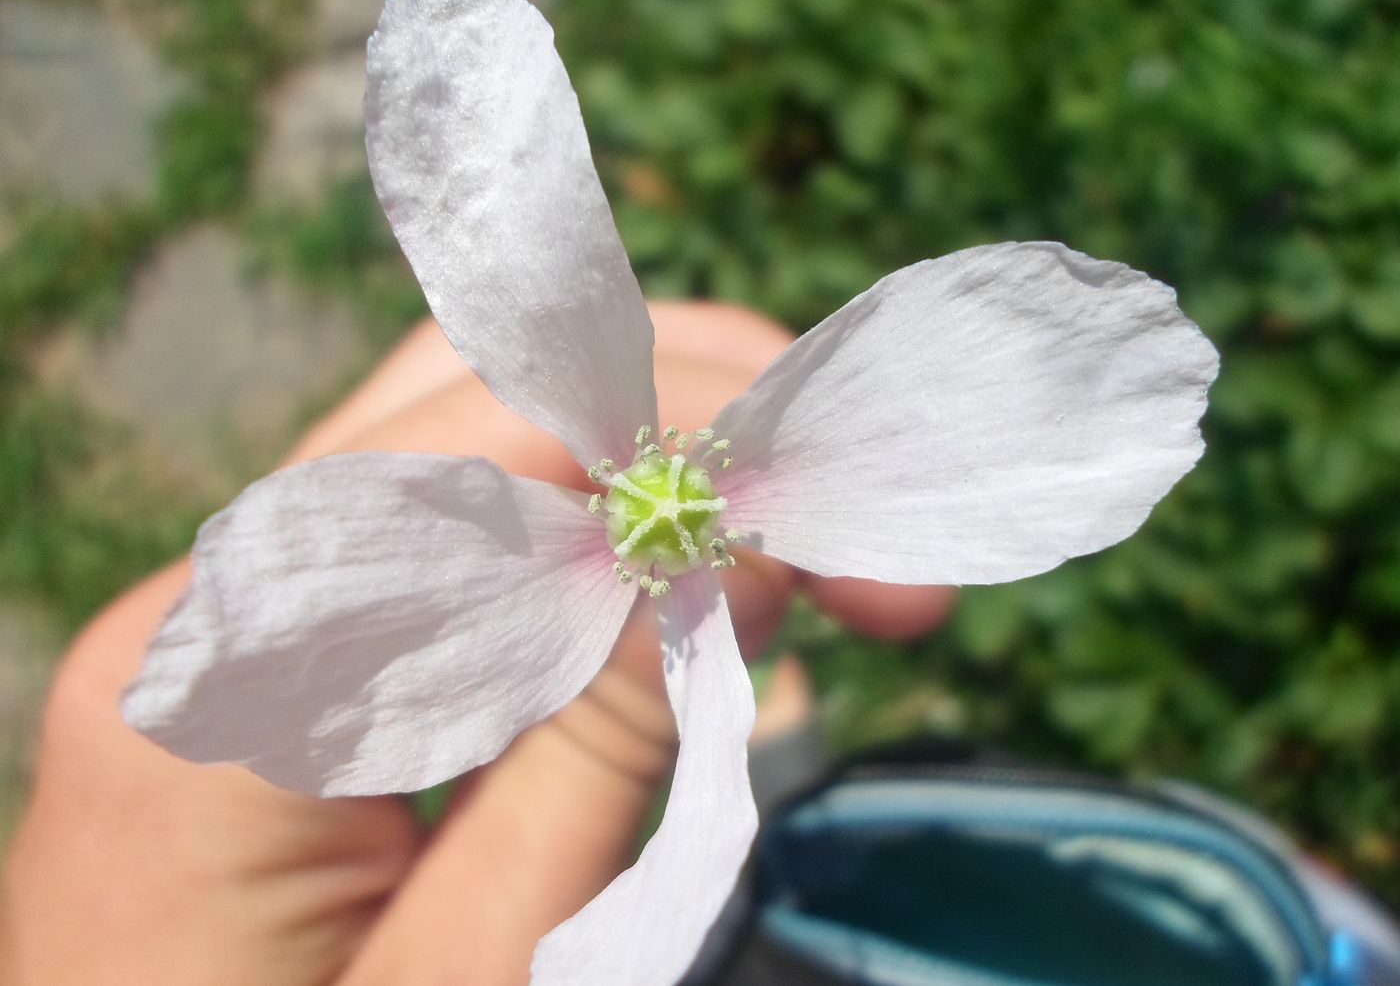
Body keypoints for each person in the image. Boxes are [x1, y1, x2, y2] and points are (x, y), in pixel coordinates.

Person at [0, 301, 953, 985]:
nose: (666, 501)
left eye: (667, 505)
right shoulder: (615, 545)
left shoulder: (676, 511)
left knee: (757, 805)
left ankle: (791, 785)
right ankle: (798, 793)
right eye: (654, 499)